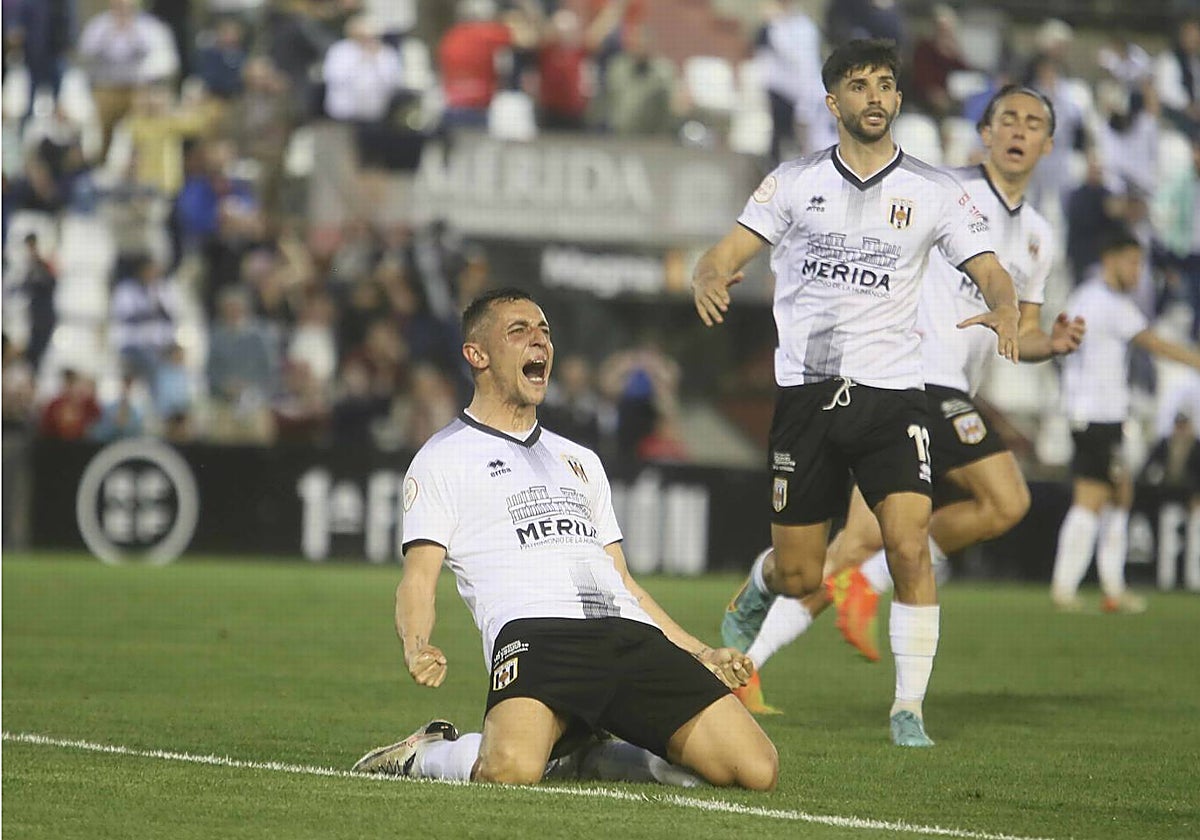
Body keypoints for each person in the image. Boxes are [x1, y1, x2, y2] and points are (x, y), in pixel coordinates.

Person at [691, 39, 1021, 748]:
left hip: (895, 397)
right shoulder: (792, 182)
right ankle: (758, 586)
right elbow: (726, 252)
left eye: (885, 85)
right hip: (807, 399)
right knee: (801, 571)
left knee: (906, 546)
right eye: (858, 85)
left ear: (899, 100)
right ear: (833, 101)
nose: (874, 96)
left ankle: (908, 709)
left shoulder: (934, 191)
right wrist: (708, 274)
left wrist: (1006, 303)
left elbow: (990, 269)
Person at [729, 85, 1088, 707]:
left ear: (1049, 145)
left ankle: (749, 661)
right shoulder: (939, 191)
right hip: (912, 378)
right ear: (983, 132)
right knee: (1006, 499)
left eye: (1033, 123)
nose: (1019, 131)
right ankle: (859, 591)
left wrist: (1047, 345)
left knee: (854, 547)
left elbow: (1017, 335)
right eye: (1007, 118)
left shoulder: (1037, 236)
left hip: (931, 390)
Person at [352, 288, 777, 790]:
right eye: (520, 331)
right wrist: (416, 644)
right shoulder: (442, 456)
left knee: (755, 769)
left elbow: (624, 582)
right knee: (510, 769)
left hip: (624, 633)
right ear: (477, 354)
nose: (540, 342)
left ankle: (586, 753)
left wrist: (701, 653)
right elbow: (418, 582)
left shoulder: (581, 460)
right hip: (537, 634)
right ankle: (430, 755)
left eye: (545, 332)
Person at [1050, 230, 1200, 613]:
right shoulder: (1108, 303)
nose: (1138, 272)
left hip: (1094, 412)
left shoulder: (1087, 296)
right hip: (1096, 413)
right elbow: (1156, 343)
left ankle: (1110, 588)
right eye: (1133, 262)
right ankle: (1067, 588)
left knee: (1119, 494)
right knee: (1093, 496)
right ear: (1111, 260)